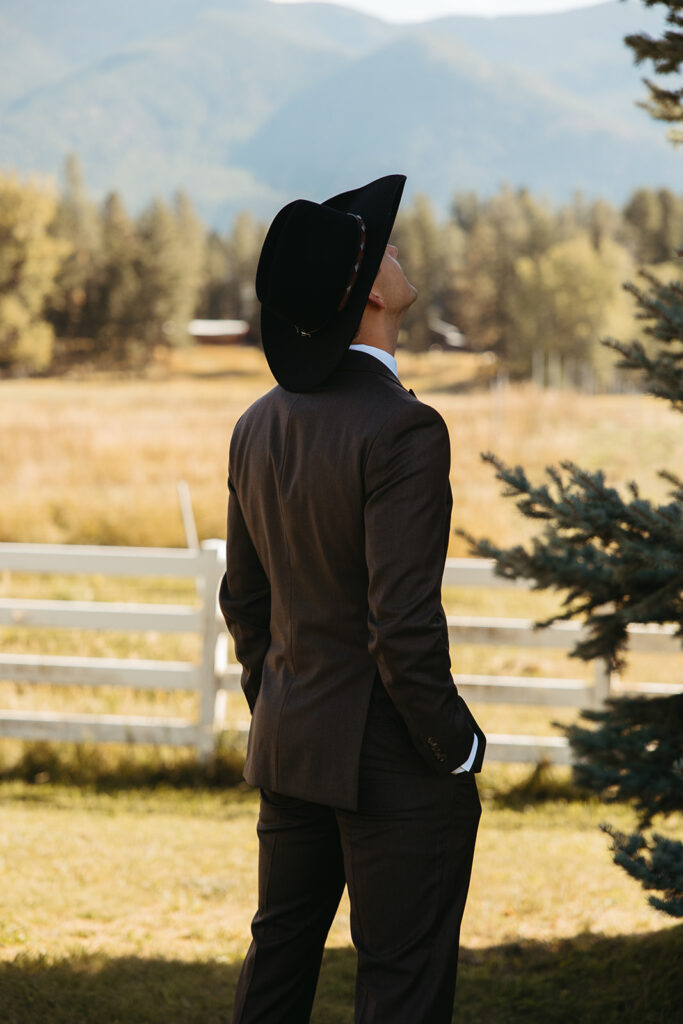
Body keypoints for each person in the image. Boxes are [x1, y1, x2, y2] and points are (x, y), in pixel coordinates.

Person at [219, 174, 486, 1024]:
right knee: (400, 988)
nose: (402, 255)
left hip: (291, 742)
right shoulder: (405, 428)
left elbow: (243, 600)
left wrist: (281, 699)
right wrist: (457, 746)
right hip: (391, 759)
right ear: (372, 289)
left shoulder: (257, 421)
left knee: (276, 971)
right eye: (391, 250)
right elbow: (401, 627)